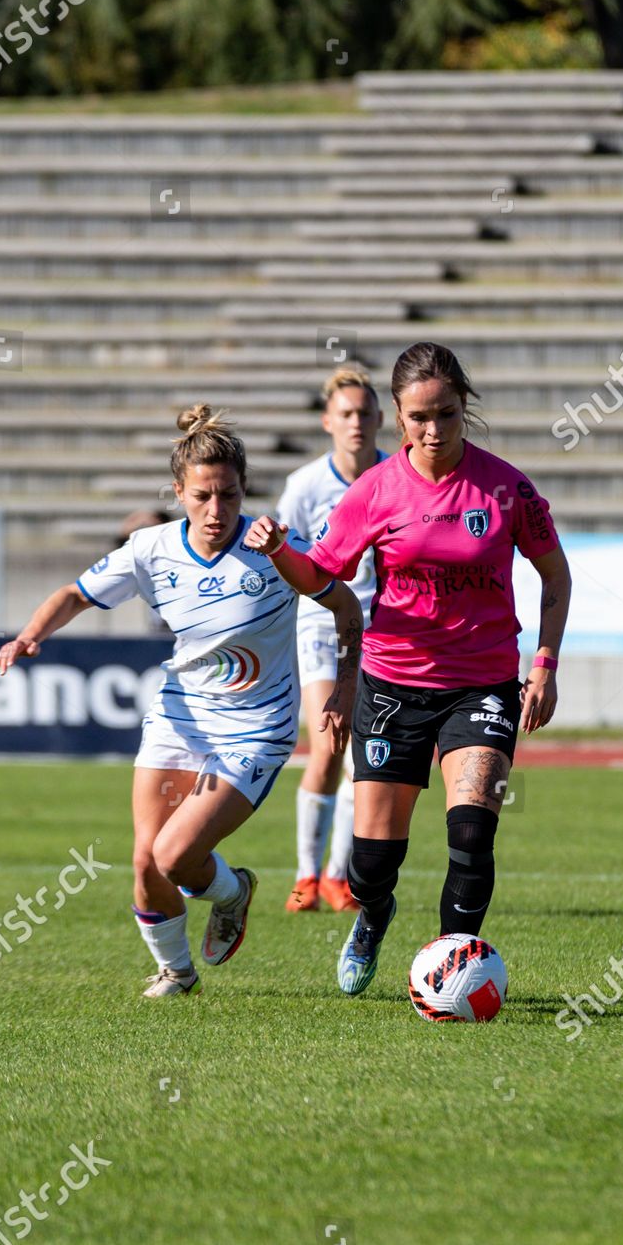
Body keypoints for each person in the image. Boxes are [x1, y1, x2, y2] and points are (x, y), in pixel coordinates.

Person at [0, 406, 362, 1000]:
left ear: (245, 491)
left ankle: (234, 892)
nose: (217, 511)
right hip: (179, 717)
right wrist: (31, 634)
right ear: (178, 492)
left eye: (230, 495)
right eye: (203, 496)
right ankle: (177, 973)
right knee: (144, 861)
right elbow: (75, 594)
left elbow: (346, 607)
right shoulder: (151, 548)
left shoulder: (275, 549)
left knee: (175, 853)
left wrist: (344, 686)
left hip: (254, 730)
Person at [246, 342, 571, 996]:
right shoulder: (375, 491)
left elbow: (554, 573)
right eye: (419, 417)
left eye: (446, 415)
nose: (432, 430)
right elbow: (321, 573)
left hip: (481, 684)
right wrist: (281, 552)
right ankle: (372, 916)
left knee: (474, 831)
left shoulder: (507, 487)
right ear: (398, 414)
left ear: (464, 408)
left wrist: (544, 664)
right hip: (392, 685)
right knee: (370, 866)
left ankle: (455, 969)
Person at [275, 364, 387, 914]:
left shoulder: (397, 477)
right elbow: (281, 560)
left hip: (383, 631)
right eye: (346, 413)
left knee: (362, 758)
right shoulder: (305, 486)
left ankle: (339, 878)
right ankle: (305, 876)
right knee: (325, 747)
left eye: (365, 412)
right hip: (322, 626)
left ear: (381, 418)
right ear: (327, 421)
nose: (357, 422)